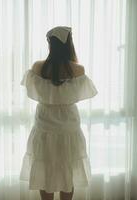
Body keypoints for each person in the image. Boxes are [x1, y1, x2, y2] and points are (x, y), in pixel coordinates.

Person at [19, 26, 98, 200]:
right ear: (69, 44)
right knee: (67, 172)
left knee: (45, 172)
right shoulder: (78, 70)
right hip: (68, 126)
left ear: (50, 44)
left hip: (45, 124)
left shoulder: (38, 67)